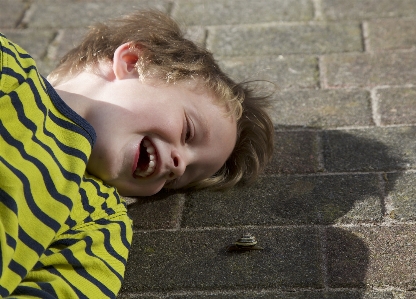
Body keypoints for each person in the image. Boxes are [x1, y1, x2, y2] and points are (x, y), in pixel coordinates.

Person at [0, 10, 274, 298]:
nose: (179, 167)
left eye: (178, 181)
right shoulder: (11, 72)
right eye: (188, 132)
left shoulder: (99, 220)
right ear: (133, 62)